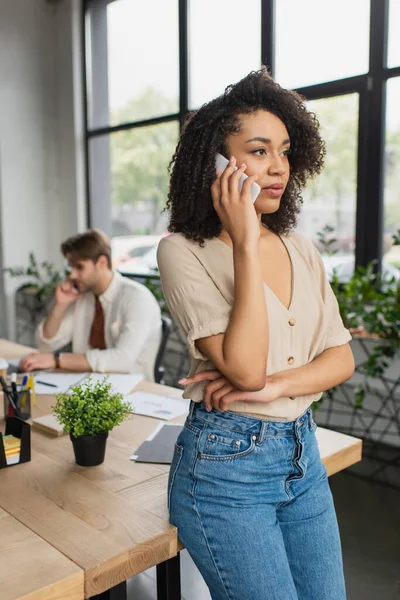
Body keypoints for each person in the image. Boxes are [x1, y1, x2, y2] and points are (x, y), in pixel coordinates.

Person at [156, 69, 355, 600]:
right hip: (226, 476)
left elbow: (341, 359)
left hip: (302, 457)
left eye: (285, 151)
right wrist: (244, 241)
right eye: (260, 150)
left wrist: (273, 387)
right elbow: (242, 368)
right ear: (215, 164)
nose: (279, 168)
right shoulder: (182, 250)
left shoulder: (300, 247)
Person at [20, 229, 161, 380]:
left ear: (102, 263)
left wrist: (57, 360)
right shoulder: (85, 296)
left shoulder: (137, 298)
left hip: (133, 391)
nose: (72, 275)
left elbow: (122, 360)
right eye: (71, 267)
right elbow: (45, 345)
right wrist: (60, 305)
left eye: (79, 267)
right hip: (86, 384)